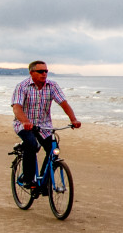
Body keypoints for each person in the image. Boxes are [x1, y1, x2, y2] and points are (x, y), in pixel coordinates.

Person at [11, 61, 81, 193]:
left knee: (53, 150)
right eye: (40, 71)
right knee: (31, 144)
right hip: (24, 124)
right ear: (32, 73)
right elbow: (17, 108)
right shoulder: (22, 87)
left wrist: (73, 119)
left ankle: (44, 182)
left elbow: (63, 103)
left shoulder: (52, 86)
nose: (44, 74)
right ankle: (28, 178)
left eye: (46, 71)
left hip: (44, 126)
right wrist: (25, 121)